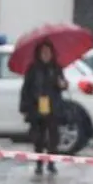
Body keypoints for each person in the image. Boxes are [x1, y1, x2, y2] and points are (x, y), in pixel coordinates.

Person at [19, 40, 67, 176]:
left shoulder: (56, 68)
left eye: (48, 52)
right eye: (43, 52)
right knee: (38, 138)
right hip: (37, 106)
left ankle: (51, 163)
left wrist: (62, 84)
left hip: (53, 106)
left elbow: (63, 84)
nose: (46, 55)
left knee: (53, 137)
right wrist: (25, 107)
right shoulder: (33, 69)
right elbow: (26, 89)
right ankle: (39, 163)